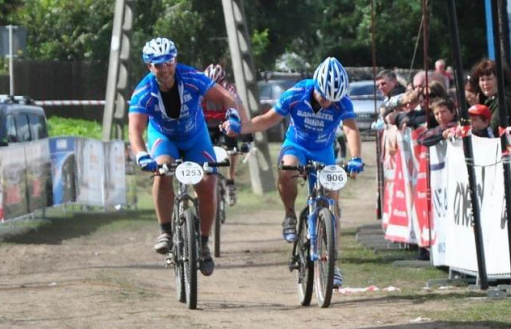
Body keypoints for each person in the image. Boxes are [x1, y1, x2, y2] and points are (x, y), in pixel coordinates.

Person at [225, 57, 364, 288]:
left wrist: (356, 158)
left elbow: (351, 130)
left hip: (323, 150)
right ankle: (289, 215)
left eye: (334, 98)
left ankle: (333, 264)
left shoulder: (343, 103)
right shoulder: (296, 93)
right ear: (316, 87)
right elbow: (268, 120)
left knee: (332, 202)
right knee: (287, 167)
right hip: (296, 145)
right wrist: (241, 128)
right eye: (324, 96)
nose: (329, 102)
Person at [128, 37, 242, 276]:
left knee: (208, 182)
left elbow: (226, 97)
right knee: (162, 172)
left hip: (195, 136)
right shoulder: (142, 92)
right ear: (149, 66)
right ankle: (165, 232)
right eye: (158, 64)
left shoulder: (191, 78)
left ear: (175, 60)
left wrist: (232, 117)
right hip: (163, 137)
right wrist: (141, 155)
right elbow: (135, 132)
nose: (165, 69)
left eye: (168, 62)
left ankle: (202, 243)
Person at [201, 63, 251, 206]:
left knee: (232, 146)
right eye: (210, 86)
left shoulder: (230, 90)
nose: (213, 90)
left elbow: (241, 112)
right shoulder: (199, 91)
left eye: (218, 85)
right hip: (207, 124)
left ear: (224, 83)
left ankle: (230, 181)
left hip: (226, 122)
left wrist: (246, 135)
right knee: (201, 151)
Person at [470, 58, 511, 136]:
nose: (485, 83)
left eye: (489, 79)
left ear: (498, 80)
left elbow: (492, 130)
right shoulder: (487, 101)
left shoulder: (504, 101)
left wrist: (476, 110)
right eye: (482, 80)